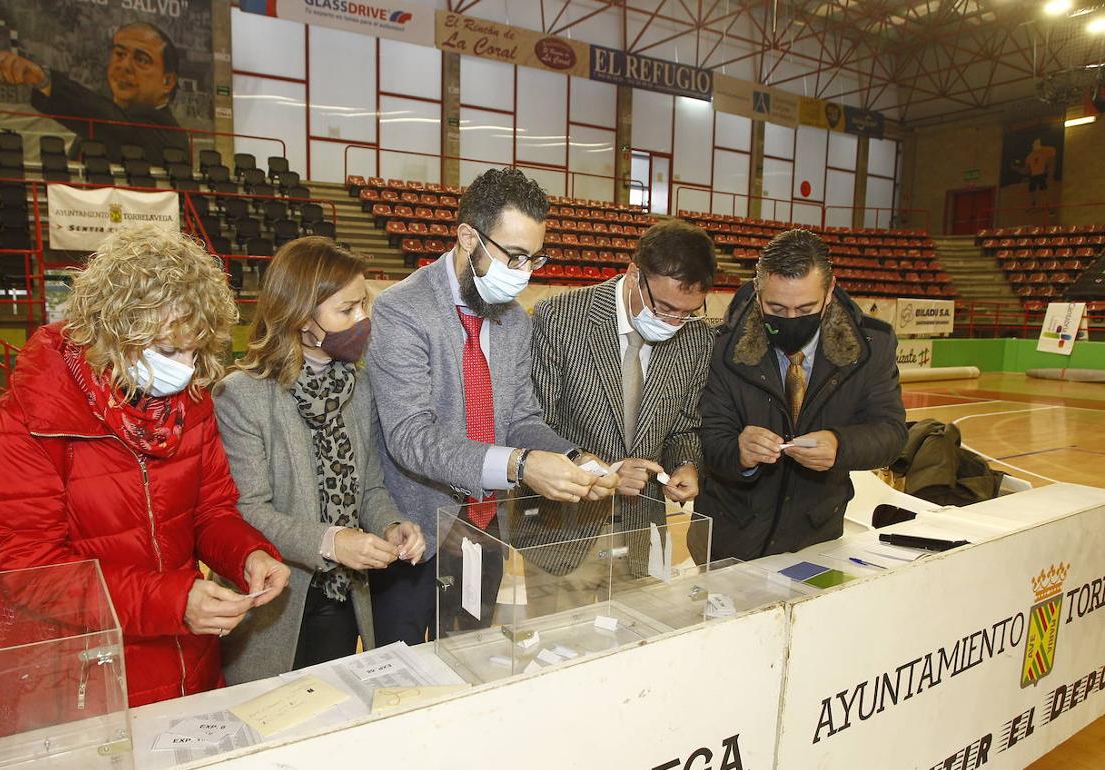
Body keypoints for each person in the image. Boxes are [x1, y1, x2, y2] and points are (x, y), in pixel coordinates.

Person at [0, 225, 290, 707]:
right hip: (87, 677)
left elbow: (211, 512)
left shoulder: (190, 403)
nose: (186, 367)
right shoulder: (33, 418)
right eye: (167, 351)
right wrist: (171, 601)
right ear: (112, 331)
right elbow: (28, 569)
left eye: (195, 350)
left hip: (191, 663)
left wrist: (247, 553)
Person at [367, 167, 619, 646]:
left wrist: (574, 458)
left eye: (534, 259)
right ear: (468, 237)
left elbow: (522, 419)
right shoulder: (402, 309)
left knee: (471, 659)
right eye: (515, 256)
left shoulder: (515, 323)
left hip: (485, 531)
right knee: (398, 680)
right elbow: (411, 437)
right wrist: (521, 467)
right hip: (414, 536)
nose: (523, 274)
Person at [212, 237, 426, 682]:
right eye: (346, 310)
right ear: (301, 316)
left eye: (362, 306)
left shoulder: (359, 387)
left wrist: (391, 524)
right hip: (276, 603)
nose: (362, 320)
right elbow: (247, 511)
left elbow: (368, 486)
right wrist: (332, 541)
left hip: (342, 596)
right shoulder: (243, 395)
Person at [521, 220, 716, 609]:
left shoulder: (695, 336)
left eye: (687, 312)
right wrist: (604, 470)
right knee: (561, 657)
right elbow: (532, 424)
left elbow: (684, 425)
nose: (673, 322)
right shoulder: (560, 318)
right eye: (664, 307)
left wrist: (687, 465)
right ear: (633, 274)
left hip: (643, 536)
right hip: (563, 535)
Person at [697, 228, 907, 560]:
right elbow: (704, 436)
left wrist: (841, 445)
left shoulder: (873, 345)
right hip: (730, 534)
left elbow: (891, 433)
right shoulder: (717, 345)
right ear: (757, 290)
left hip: (819, 534)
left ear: (830, 291)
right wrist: (738, 450)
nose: (792, 319)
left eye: (806, 308)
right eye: (776, 309)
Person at [0, 22, 190, 162]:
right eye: (120, 54)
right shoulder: (99, 124)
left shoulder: (169, 136)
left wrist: (43, 80)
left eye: (141, 60)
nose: (124, 66)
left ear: (167, 81)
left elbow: (112, 122)